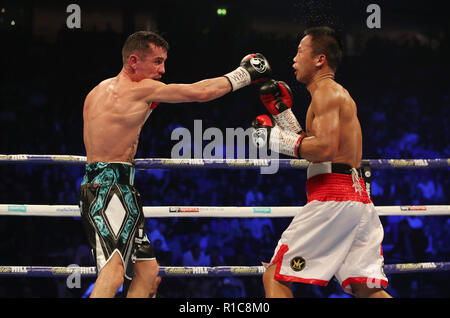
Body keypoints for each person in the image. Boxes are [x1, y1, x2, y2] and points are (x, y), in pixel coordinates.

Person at [78, 30, 271, 298]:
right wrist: (244, 74)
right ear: (134, 61)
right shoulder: (140, 89)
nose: (163, 69)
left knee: (148, 271)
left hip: (109, 186)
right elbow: (200, 93)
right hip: (111, 190)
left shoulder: (97, 92)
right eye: (157, 62)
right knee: (114, 270)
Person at [252, 26, 391, 298]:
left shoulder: (327, 92)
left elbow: (325, 149)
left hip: (334, 198)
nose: (293, 59)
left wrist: (274, 140)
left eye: (300, 52)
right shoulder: (329, 94)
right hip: (356, 200)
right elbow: (314, 144)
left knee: (276, 275)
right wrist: (283, 115)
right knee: (366, 289)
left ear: (320, 59)